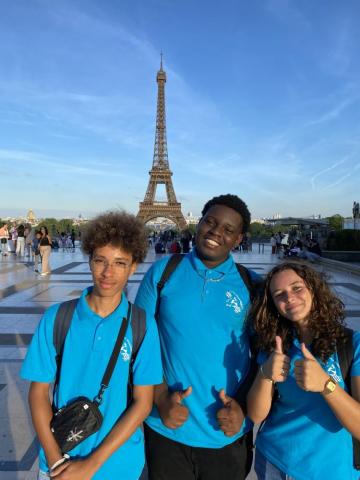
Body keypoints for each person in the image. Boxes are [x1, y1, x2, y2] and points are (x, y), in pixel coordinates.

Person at [20, 211, 163, 480]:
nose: (108, 272)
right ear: (89, 261)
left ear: (133, 267)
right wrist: (55, 461)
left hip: (118, 465)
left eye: (120, 263)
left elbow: (143, 403)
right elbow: (38, 393)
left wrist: (91, 465)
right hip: (59, 458)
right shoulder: (57, 318)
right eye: (100, 261)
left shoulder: (142, 325)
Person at [135, 194, 259, 480]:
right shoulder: (164, 272)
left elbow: (263, 354)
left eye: (228, 229)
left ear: (239, 239)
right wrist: (160, 396)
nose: (216, 232)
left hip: (227, 430)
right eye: (210, 222)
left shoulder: (251, 285)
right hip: (166, 425)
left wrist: (242, 406)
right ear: (199, 223)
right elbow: (140, 341)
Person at [247, 262, 360, 479]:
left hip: (332, 471)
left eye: (297, 288)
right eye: (279, 294)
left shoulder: (351, 345)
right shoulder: (276, 345)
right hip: (275, 462)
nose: (289, 298)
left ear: (314, 289)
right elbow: (256, 414)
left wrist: (327, 385)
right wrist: (265, 374)